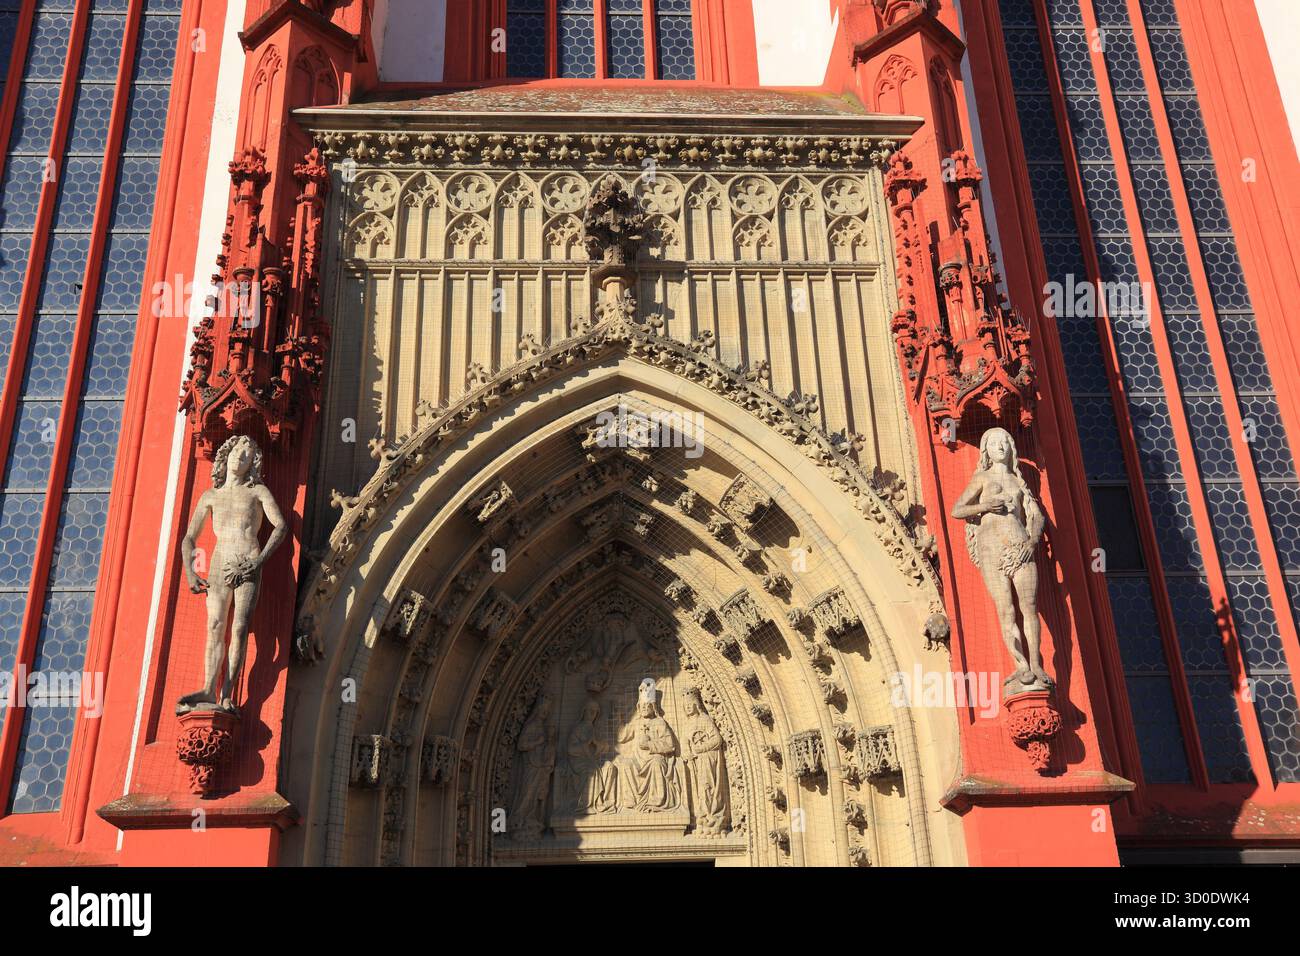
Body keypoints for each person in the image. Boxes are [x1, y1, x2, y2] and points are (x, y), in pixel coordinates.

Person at [178, 434, 286, 715]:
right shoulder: (211, 496)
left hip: (248, 561)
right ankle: (207, 687)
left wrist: (259, 561)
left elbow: (281, 526)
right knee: (215, 625)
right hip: (219, 562)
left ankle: (227, 694)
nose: (242, 456)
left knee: (239, 628)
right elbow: (189, 537)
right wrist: (190, 572)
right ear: (226, 455)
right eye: (239, 450)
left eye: (248, 454)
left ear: (253, 463)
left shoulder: (257, 492)